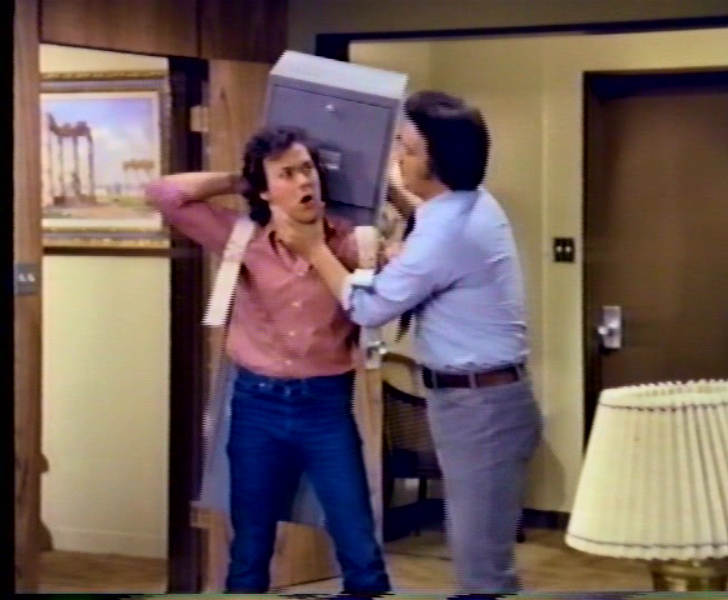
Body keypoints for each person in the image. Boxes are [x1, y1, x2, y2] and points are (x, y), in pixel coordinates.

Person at [273, 90, 544, 596]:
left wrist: (313, 249)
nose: (396, 157)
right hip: (478, 402)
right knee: (478, 554)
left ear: (436, 162)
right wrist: (399, 203)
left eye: (406, 148)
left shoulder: (446, 234)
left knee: (482, 568)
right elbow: (427, 225)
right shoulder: (467, 205)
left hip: (480, 408)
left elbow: (369, 308)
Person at [145, 126, 391, 596]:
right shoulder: (244, 239)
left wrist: (390, 207)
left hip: (326, 409)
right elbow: (163, 193)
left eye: (308, 169)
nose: (304, 181)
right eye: (287, 174)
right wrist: (239, 181)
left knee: (358, 543)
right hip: (256, 406)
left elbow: (396, 284)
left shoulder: (351, 243)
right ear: (265, 189)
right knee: (250, 548)